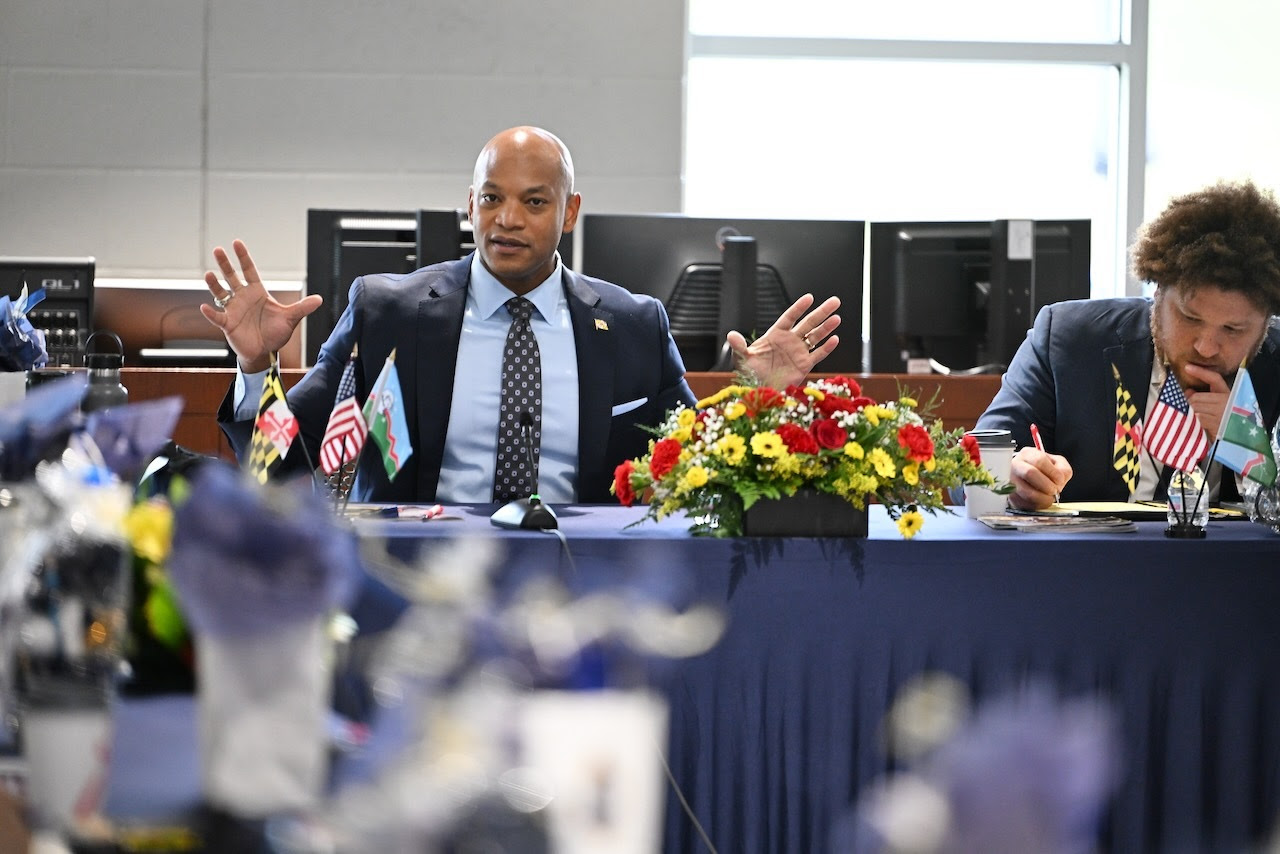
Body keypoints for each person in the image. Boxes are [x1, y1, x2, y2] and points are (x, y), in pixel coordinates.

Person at [201, 126, 842, 503]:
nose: (507, 219)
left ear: (569, 212)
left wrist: (759, 398)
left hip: (582, 586)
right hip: (421, 583)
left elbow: (696, 471)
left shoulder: (632, 326)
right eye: (491, 198)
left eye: (534, 201)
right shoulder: (388, 313)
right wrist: (256, 366)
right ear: (469, 206)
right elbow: (278, 464)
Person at [976, 180, 1280, 510]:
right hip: (1088, 558)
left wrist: (1251, 451)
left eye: (1233, 329)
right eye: (1189, 318)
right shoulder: (1068, 339)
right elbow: (973, 470)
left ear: (1265, 325)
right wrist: (1011, 476)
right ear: (1158, 295)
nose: (1207, 347)